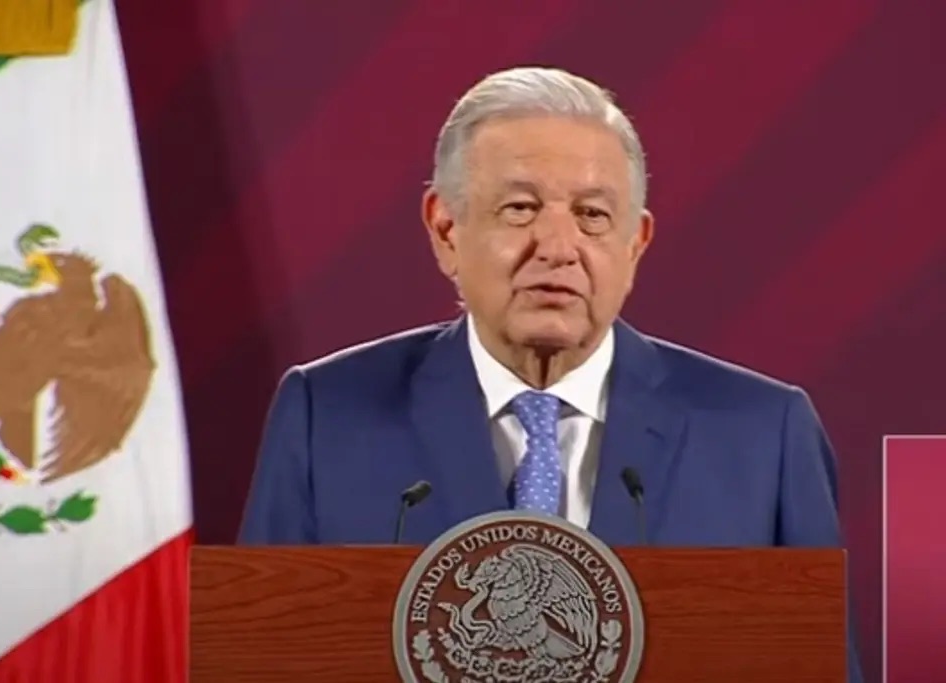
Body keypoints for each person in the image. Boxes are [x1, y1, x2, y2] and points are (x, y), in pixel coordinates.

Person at [238, 66, 862, 680]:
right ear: (446, 230)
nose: (559, 247)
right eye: (520, 208)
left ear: (635, 244)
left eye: (592, 215)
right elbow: (257, 663)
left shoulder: (761, 437)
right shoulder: (327, 418)